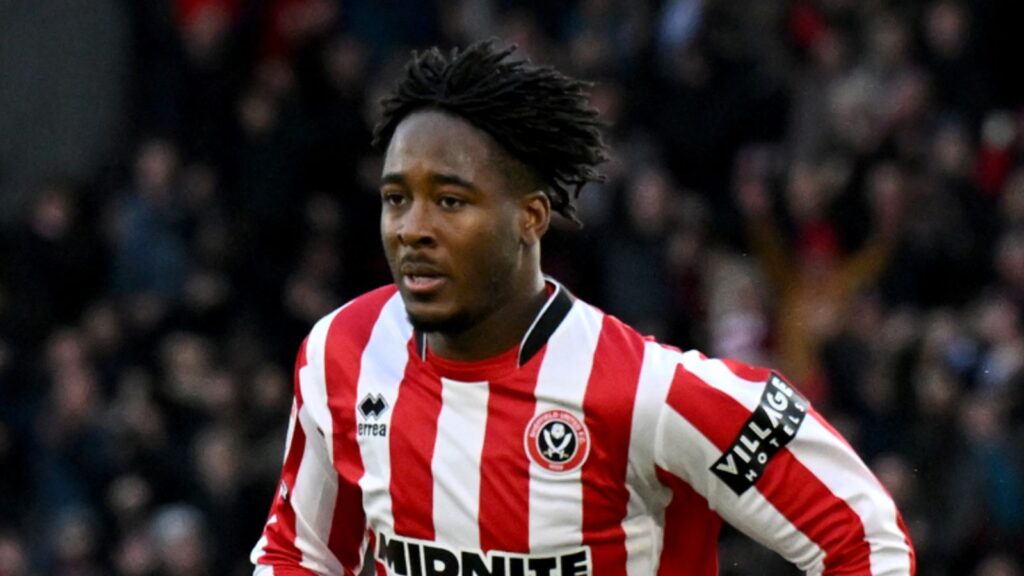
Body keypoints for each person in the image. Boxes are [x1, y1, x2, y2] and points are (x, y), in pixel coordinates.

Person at [250, 40, 916, 575]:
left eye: (450, 201)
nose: (412, 230)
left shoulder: (646, 392)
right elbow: (298, 553)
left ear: (531, 217)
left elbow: (862, 537)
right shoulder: (343, 352)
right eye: (397, 199)